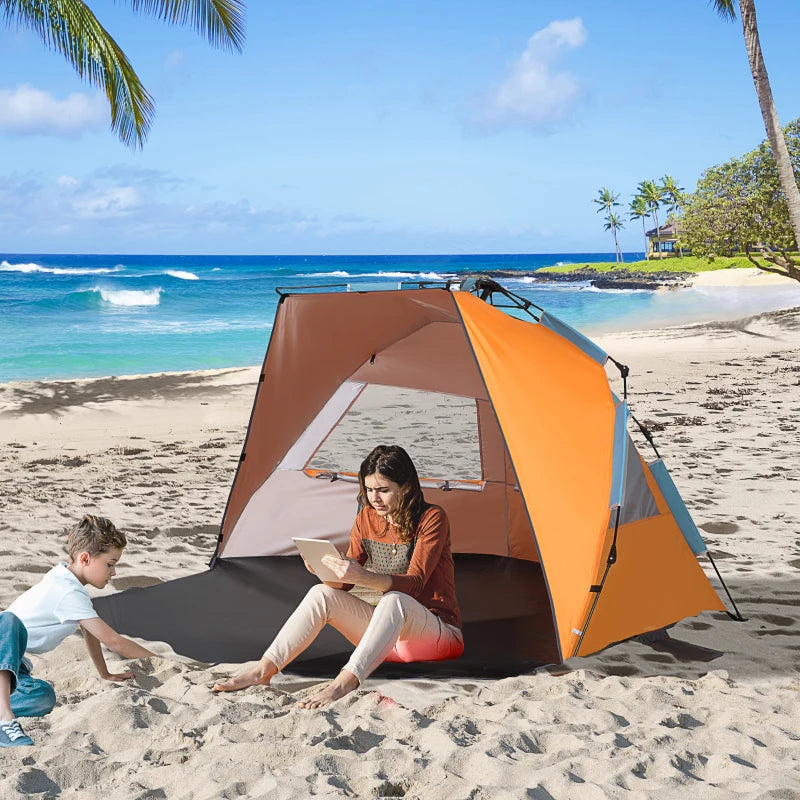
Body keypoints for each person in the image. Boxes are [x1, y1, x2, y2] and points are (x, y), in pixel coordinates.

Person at [213, 444, 464, 708]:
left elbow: (414, 585)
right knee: (321, 594)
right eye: (369, 490)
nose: (374, 498)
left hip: (438, 636)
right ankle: (264, 670)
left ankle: (341, 684)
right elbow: (344, 584)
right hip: (389, 640)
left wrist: (363, 576)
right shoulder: (367, 517)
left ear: (405, 488)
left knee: (394, 600)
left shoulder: (432, 518)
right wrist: (325, 571)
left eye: (383, 490)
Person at [0, 514, 156, 747]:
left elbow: (88, 630)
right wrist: (162, 656)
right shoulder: (67, 590)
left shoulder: (67, 581)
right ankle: (5, 719)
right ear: (85, 559)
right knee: (9, 621)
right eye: (110, 564)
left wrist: (104, 673)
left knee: (43, 697)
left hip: (14, 671)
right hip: (3, 648)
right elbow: (115, 643)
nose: (113, 573)